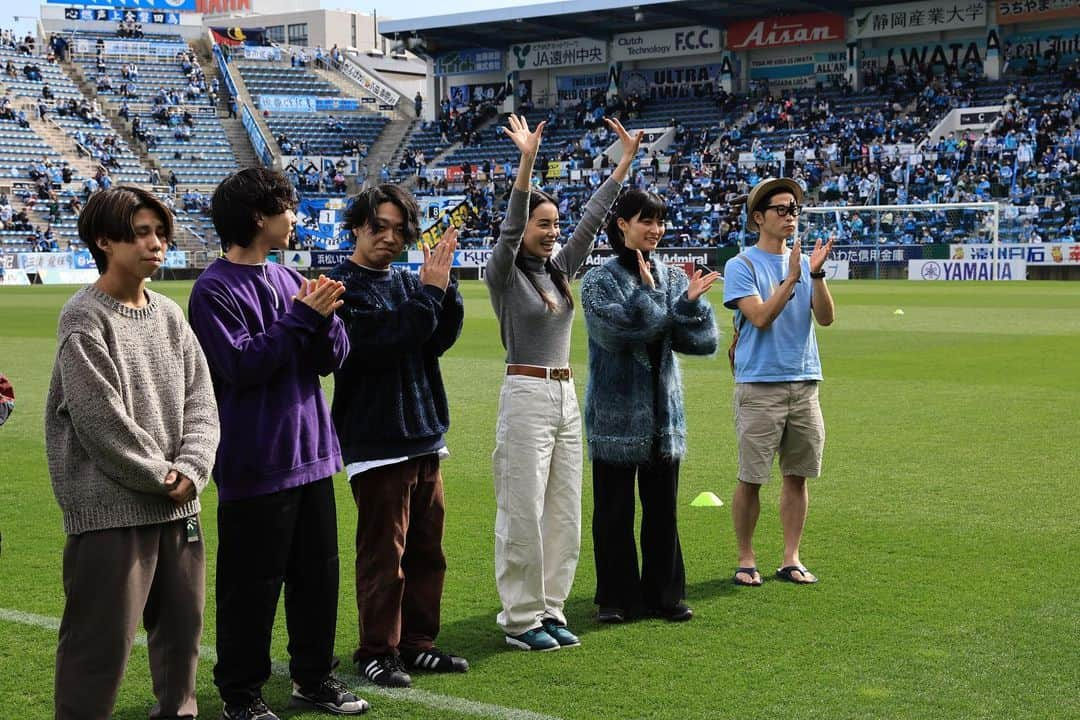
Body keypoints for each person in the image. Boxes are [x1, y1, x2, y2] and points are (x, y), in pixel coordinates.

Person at [187, 168, 366, 719]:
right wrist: (300, 317)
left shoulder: (291, 280)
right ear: (258, 217)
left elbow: (330, 360)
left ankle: (314, 679)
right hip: (256, 462)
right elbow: (242, 365)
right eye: (287, 207)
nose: (295, 217)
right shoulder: (212, 289)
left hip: (312, 455)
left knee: (318, 580)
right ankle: (240, 694)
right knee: (251, 588)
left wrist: (327, 319)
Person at [44, 187, 221, 719]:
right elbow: (102, 424)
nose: (155, 244)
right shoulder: (84, 319)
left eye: (159, 232)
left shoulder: (168, 313)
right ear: (104, 240)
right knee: (97, 652)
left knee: (182, 643)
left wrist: (191, 468)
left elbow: (202, 402)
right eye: (140, 233)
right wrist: (165, 475)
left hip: (179, 506)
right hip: (112, 515)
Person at [486, 115, 643, 651]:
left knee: (563, 511)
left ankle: (551, 608)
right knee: (522, 510)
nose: (553, 233)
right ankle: (520, 619)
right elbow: (510, 225)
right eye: (543, 225)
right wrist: (527, 161)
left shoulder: (559, 270)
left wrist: (623, 163)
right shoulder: (503, 273)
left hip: (565, 395)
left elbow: (595, 219)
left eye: (555, 224)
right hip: (526, 392)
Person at [326, 185, 466, 688]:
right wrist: (429, 293)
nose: (389, 237)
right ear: (356, 228)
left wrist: (445, 290)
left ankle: (417, 644)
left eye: (399, 229)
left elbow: (436, 341)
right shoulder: (338, 287)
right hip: (377, 440)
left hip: (425, 434)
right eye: (377, 227)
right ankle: (376, 651)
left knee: (428, 552)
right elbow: (381, 343)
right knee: (384, 557)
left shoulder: (410, 285)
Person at [581, 189, 719, 624]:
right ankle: (617, 598)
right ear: (622, 224)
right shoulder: (598, 281)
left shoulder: (676, 277)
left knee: (663, 510)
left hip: (664, 416)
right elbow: (616, 335)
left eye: (660, 222)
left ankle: (665, 594)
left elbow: (702, 341)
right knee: (614, 512)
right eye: (647, 221)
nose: (656, 230)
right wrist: (652, 299)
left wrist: (688, 305)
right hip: (615, 415)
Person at [721, 177, 835, 587]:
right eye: (782, 210)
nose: (791, 217)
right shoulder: (742, 265)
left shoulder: (805, 264)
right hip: (760, 385)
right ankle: (746, 557)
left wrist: (815, 275)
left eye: (795, 210)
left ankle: (791, 557)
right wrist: (790, 279)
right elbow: (760, 317)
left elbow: (825, 319)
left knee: (798, 474)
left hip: (804, 382)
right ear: (758, 218)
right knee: (752, 477)